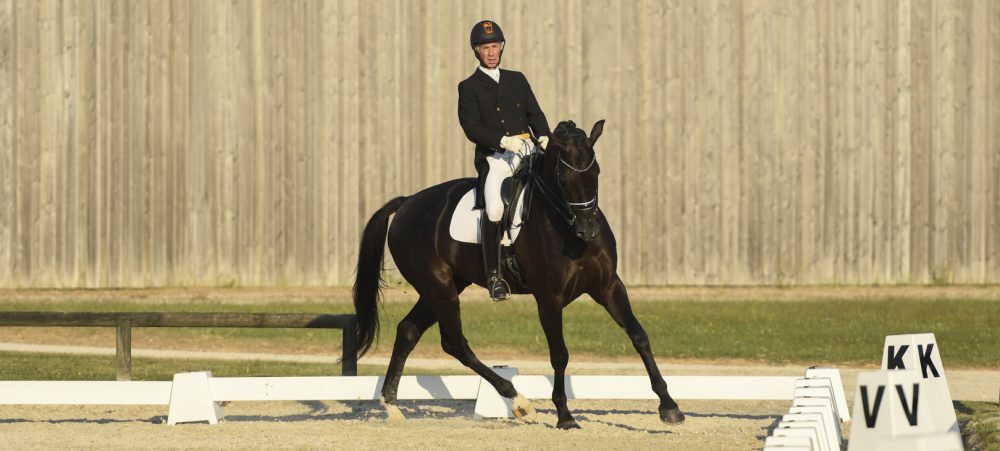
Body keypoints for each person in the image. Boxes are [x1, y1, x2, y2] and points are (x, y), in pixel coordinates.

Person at [458, 19, 551, 301]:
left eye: (495, 46)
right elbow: (471, 126)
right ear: (477, 50)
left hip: (526, 150)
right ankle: (494, 275)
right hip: (496, 158)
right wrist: (501, 141)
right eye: (486, 47)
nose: (491, 52)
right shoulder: (469, 86)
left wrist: (544, 136)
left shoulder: (517, 79)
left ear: (501, 47)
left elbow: (535, 114)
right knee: (496, 207)